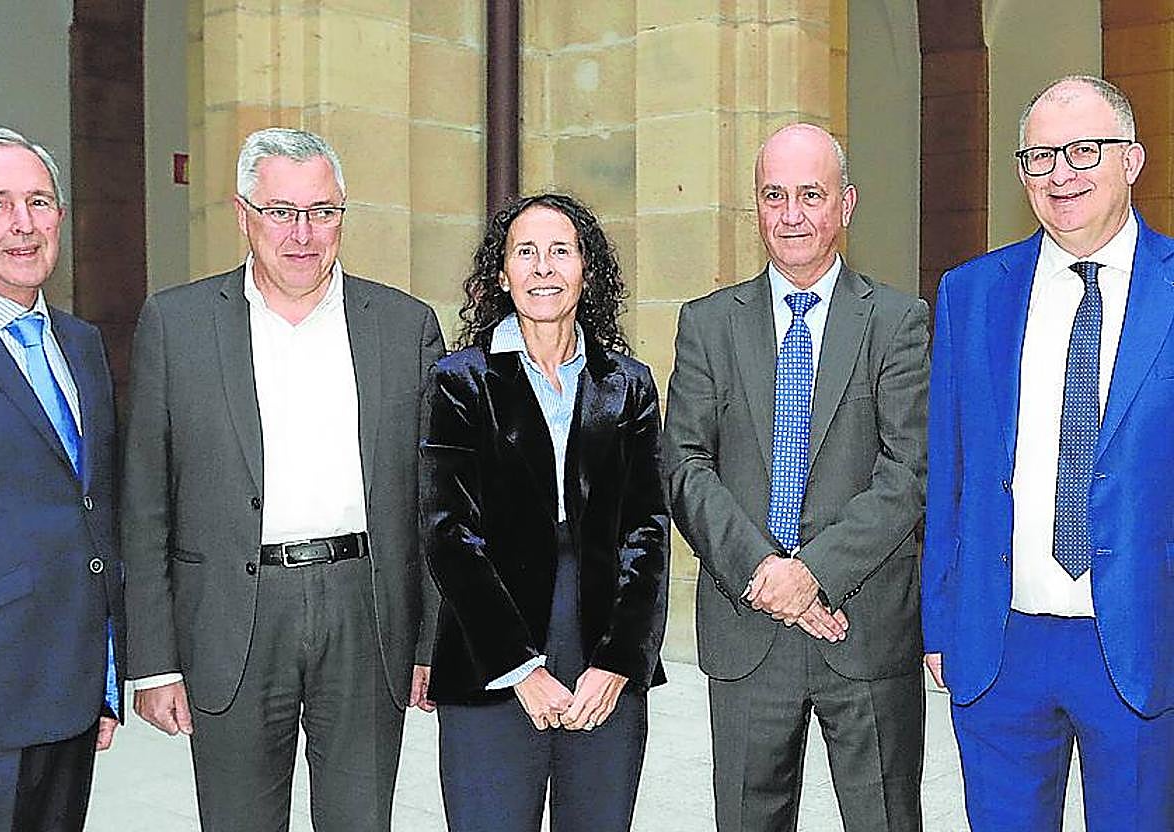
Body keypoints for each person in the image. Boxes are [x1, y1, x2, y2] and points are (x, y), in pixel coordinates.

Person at [121, 127, 443, 832]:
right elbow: (145, 502)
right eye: (280, 211)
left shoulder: (404, 326)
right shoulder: (176, 325)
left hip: (366, 609)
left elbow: (435, 500)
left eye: (322, 211)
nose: (302, 233)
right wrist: (153, 661)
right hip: (232, 613)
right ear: (243, 215)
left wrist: (431, 639)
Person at [923, 75, 1174, 831]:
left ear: (1131, 160)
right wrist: (940, 621)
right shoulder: (970, 293)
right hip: (1000, 643)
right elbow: (950, 470)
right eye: (1039, 156)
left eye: (1083, 150)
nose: (1060, 173)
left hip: (1141, 640)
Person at [665, 123, 930, 831]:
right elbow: (684, 465)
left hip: (863, 628)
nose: (791, 215)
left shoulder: (897, 321)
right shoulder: (708, 324)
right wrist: (764, 573)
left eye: (810, 195)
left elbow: (907, 472)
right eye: (773, 195)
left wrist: (811, 574)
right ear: (755, 205)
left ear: (846, 204)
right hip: (747, 628)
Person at [420, 192, 668, 832]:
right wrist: (519, 669)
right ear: (502, 274)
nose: (543, 267)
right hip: (490, 654)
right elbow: (448, 532)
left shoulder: (629, 384)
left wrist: (618, 661)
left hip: (601, 656)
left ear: (587, 270)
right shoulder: (460, 380)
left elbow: (647, 529)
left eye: (561, 251)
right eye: (524, 252)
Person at [0, 127, 123, 830]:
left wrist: (109, 670)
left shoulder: (82, 344)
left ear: (61, 217)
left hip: (72, 685)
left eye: (38, 201)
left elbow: (94, 509)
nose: (23, 224)